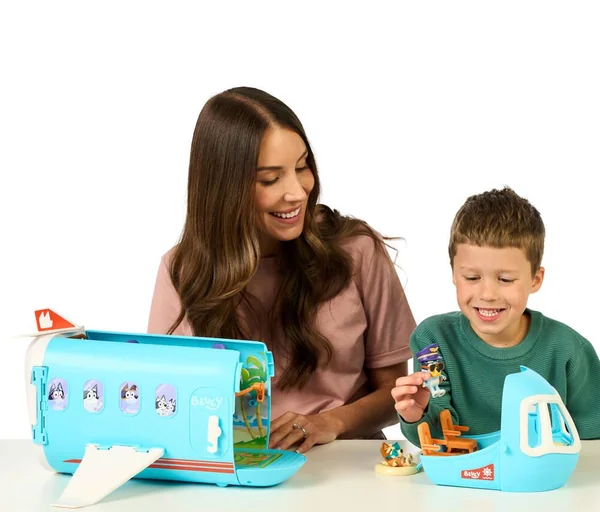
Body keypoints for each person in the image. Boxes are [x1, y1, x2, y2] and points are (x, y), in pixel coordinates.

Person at [147, 86, 416, 453]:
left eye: (302, 167)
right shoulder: (182, 271)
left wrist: (329, 423)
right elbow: (169, 403)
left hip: (350, 461)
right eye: (271, 179)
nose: (298, 192)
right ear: (224, 188)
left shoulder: (357, 251)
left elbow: (396, 394)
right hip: (241, 467)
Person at [392, 186, 600, 446]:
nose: (488, 294)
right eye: (472, 278)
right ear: (454, 274)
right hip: (462, 473)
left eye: (505, 279)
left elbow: (593, 444)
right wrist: (416, 415)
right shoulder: (433, 340)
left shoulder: (569, 350)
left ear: (535, 280)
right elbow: (437, 438)